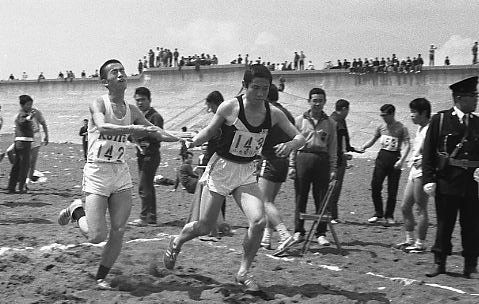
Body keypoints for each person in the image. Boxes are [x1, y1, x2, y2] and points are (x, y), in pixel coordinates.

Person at [162, 64, 305, 292]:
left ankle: (243, 272)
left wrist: (290, 145)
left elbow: (301, 137)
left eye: (265, 89)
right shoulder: (230, 108)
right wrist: (192, 141)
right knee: (205, 226)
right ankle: (177, 241)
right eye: (255, 88)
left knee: (258, 221)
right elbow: (209, 132)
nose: (260, 94)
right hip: (221, 169)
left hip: (247, 171)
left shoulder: (273, 113)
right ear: (244, 86)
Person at [56, 59, 183, 289]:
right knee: (96, 236)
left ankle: (101, 277)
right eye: (115, 72)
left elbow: (155, 132)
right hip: (97, 171)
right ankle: (77, 210)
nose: (121, 74)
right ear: (105, 81)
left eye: (123, 70)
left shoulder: (132, 110)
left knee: (119, 230)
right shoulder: (99, 104)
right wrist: (132, 129)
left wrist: (183, 137)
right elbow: (103, 127)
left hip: (119, 172)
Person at [423, 76, 479, 279]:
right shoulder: (440, 120)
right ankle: (440, 262)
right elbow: (428, 152)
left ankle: (470, 265)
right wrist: (428, 179)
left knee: (472, 225)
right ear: (459, 98)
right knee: (445, 224)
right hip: (447, 181)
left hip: (471, 183)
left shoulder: (477, 122)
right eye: (473, 96)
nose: (476, 100)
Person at [289, 88, 337, 247]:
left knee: (321, 198)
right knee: (300, 196)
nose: (317, 104)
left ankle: (321, 233)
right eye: (314, 100)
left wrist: (333, 168)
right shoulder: (299, 120)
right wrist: (292, 165)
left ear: (325, 102)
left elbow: (332, 148)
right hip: (303, 159)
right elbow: (294, 145)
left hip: (322, 160)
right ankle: (299, 231)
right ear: (309, 101)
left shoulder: (330, 123)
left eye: (320, 100)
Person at [257, 84, 297, 256]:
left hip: (270, 158)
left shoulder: (269, 113)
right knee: (270, 201)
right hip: (283, 160)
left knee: (264, 201)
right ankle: (266, 237)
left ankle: (284, 234)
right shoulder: (286, 114)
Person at [360, 104, 410, 225]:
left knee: (392, 189)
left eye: (385, 115)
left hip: (395, 158)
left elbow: (408, 145)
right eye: (381, 115)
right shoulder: (381, 127)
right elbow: (373, 139)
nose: (383, 118)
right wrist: (364, 147)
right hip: (382, 157)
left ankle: (389, 215)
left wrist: (401, 160)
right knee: (376, 186)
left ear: (392, 114)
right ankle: (378, 212)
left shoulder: (401, 128)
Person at [394, 98, 431, 253]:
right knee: (405, 206)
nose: (411, 115)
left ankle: (420, 243)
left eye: (414, 112)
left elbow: (436, 149)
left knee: (420, 207)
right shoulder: (420, 128)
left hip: (423, 172)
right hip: (414, 170)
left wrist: (424, 159)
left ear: (423, 113)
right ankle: (409, 239)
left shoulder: (430, 129)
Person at [128, 87, 165, 227]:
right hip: (141, 156)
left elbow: (158, 136)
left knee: (143, 186)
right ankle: (152, 217)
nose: (140, 103)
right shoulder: (138, 117)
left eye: (143, 100)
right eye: (137, 100)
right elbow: (132, 135)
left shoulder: (155, 117)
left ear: (149, 100)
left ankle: (143, 217)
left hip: (151, 155)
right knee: (149, 186)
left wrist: (142, 135)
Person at [329, 99, 360, 223]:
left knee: (330, 185)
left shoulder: (330, 118)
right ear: (344, 109)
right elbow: (341, 140)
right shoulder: (339, 120)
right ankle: (332, 215)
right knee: (335, 186)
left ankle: (329, 213)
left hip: (330, 156)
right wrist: (344, 154)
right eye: (347, 110)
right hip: (337, 158)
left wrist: (351, 149)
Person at [7, 95, 35, 194]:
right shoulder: (22, 114)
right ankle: (21, 187)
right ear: (22, 105)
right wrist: (30, 117)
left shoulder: (21, 113)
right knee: (24, 165)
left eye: (31, 104)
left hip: (19, 142)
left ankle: (11, 187)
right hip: (24, 142)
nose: (30, 106)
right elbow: (24, 120)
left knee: (17, 165)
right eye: (28, 104)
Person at [28, 103, 49, 183]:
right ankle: (25, 176)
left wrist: (46, 135)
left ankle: (28, 179)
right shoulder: (22, 113)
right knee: (25, 159)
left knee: (32, 160)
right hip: (26, 136)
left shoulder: (36, 112)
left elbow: (43, 123)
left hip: (36, 135)